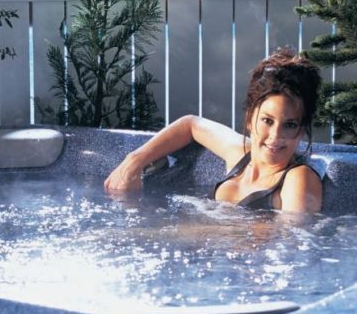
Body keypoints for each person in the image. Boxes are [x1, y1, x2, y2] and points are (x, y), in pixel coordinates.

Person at [104, 47, 323, 213]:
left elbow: (292, 246)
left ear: (302, 130)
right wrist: (133, 162)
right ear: (249, 119)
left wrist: (185, 233)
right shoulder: (241, 155)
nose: (275, 136)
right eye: (267, 120)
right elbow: (191, 124)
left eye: (290, 125)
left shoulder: (298, 178)